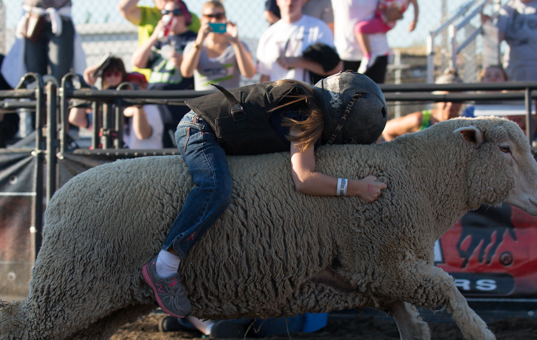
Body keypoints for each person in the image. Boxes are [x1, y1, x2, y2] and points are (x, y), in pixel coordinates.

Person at [140, 71, 389, 319]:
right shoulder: (305, 114)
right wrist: (356, 187)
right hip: (199, 128)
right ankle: (164, 266)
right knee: (216, 188)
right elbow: (303, 179)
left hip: (216, 132)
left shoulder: (306, 101)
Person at [255, 0, 342, 84]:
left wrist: (300, 61)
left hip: (310, 96)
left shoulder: (318, 28)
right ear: (277, 0)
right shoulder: (268, 34)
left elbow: (337, 68)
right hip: (278, 98)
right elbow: (265, 77)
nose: (289, 0)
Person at [69, 57, 164, 150]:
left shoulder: (150, 107)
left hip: (139, 158)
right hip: (113, 157)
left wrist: (137, 108)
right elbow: (76, 119)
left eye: (116, 73)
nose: (112, 77)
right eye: (108, 74)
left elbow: (143, 134)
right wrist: (86, 86)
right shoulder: (106, 104)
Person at [117, 0, 201, 78]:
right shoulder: (147, 13)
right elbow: (123, 8)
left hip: (178, 76)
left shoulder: (189, 16)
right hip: (147, 74)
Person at [354, 0, 419, 74]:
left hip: (386, 20)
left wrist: (414, 21)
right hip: (379, 15)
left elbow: (415, 4)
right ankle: (387, 52)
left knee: (360, 28)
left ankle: (368, 56)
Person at [180, 0, 255, 89]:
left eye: (219, 16)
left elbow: (249, 74)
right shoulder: (193, 46)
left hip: (230, 101)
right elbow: (186, 72)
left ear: (225, 19)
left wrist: (236, 43)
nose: (214, 20)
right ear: (202, 20)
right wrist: (199, 42)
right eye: (209, 16)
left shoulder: (238, 45)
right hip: (203, 101)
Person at [132, 0, 198, 91]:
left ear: (185, 15)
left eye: (177, 12)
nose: (171, 16)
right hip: (154, 95)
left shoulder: (194, 39)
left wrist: (184, 60)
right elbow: (137, 63)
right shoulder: (159, 40)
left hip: (180, 95)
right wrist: (154, 36)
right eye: (166, 12)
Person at [382, 69, 464, 141]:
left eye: (456, 99)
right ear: (437, 97)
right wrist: (401, 155)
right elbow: (387, 130)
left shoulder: (465, 124)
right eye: (446, 98)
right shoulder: (420, 120)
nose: (450, 104)